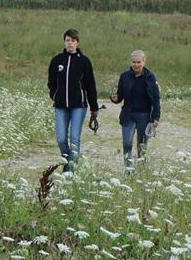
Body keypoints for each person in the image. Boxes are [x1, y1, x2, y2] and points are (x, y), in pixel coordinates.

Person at [47, 28, 99, 171]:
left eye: (73, 41)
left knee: (74, 138)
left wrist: (94, 108)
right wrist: (54, 95)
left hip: (79, 106)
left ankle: (71, 170)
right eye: (67, 40)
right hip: (61, 105)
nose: (70, 43)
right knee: (61, 139)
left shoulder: (84, 62)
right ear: (64, 42)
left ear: (77, 43)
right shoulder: (57, 60)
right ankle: (68, 160)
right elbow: (51, 82)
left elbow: (90, 86)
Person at [110, 50, 161, 171]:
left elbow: (156, 99)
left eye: (139, 62)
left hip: (144, 116)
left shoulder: (150, 77)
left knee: (142, 146)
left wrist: (156, 117)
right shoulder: (124, 76)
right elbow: (120, 96)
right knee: (127, 143)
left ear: (144, 62)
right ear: (131, 62)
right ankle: (129, 169)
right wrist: (115, 99)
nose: (136, 65)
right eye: (134, 62)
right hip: (128, 114)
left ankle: (142, 169)